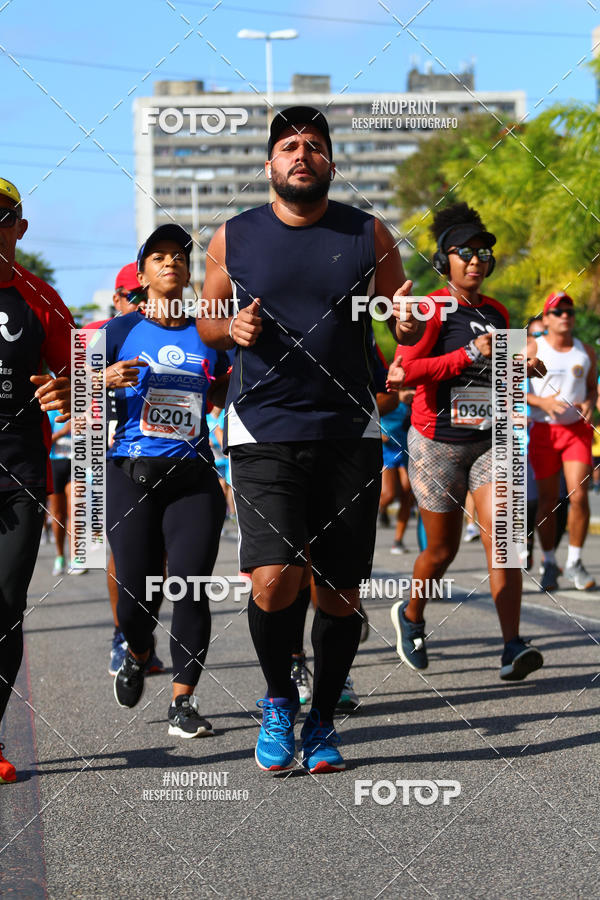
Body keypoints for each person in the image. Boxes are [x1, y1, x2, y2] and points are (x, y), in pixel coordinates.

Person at [198, 105, 422, 773]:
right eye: (290, 146)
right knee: (272, 579)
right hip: (262, 427)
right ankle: (276, 699)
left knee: (338, 592)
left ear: (331, 162)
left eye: (315, 146)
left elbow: (399, 323)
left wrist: (407, 324)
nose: (302, 154)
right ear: (271, 163)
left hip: (348, 429)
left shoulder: (369, 234)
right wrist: (228, 329)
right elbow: (208, 321)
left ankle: (322, 718)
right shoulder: (232, 237)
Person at [388, 202, 546, 681]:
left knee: (506, 537)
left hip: (491, 440)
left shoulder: (499, 313)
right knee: (442, 551)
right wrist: (463, 354)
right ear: (445, 260)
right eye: (465, 252)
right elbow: (402, 374)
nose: (476, 259)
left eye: (483, 253)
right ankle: (411, 616)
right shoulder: (432, 308)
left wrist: (523, 369)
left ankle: (512, 646)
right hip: (436, 443)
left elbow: (507, 377)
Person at [104, 224, 228, 738]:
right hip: (130, 473)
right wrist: (101, 378)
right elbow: (72, 394)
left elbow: (233, 391)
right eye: (158, 257)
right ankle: (136, 650)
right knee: (134, 596)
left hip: (194, 477)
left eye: (178, 255)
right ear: (143, 273)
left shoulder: (210, 332)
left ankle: (184, 701)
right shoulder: (116, 332)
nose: (170, 262)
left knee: (191, 585)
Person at [0, 178, 73, 783]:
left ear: (20, 228)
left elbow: (83, 380)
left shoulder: (40, 299)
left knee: (5, 607)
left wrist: (68, 390)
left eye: (2, 218)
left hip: (19, 472)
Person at [84, 264, 164, 676]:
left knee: (162, 556)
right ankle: (123, 636)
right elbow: (74, 388)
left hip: (167, 454)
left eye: (141, 293)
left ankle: (141, 635)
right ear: (117, 298)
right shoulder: (103, 333)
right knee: (125, 551)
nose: (139, 301)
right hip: (115, 451)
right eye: (131, 295)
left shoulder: (171, 327)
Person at [527, 292, 597, 591]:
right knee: (548, 502)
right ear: (546, 318)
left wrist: (590, 403)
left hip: (576, 432)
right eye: (557, 311)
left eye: (569, 310)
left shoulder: (586, 351)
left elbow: (593, 388)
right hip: (543, 432)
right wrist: (540, 402)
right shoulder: (532, 346)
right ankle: (550, 561)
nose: (564, 316)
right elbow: (505, 385)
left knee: (578, 496)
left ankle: (575, 562)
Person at [379, 388, 415, 554]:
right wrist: (379, 432)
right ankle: (380, 509)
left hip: (406, 446)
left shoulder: (413, 400)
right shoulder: (387, 393)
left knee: (407, 492)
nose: (408, 391)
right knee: (389, 494)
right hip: (387, 448)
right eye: (405, 388)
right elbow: (370, 412)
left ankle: (398, 540)